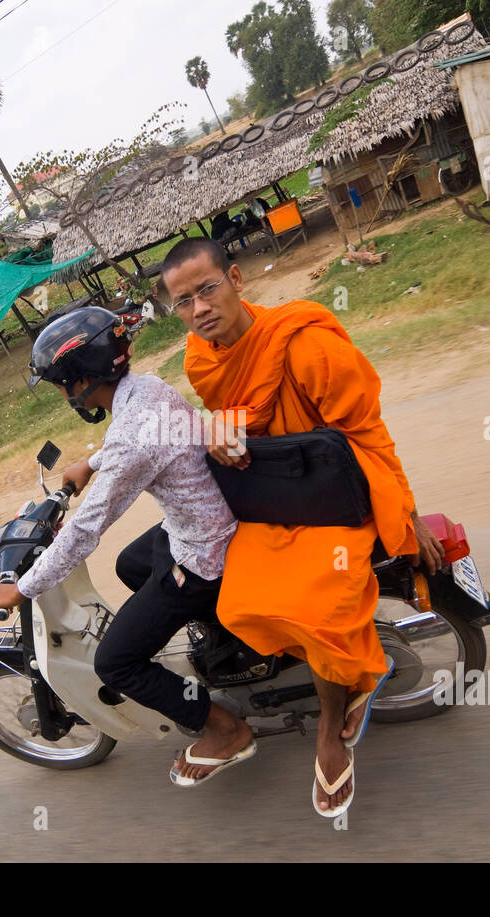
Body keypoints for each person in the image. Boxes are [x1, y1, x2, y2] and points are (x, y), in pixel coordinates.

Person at [159, 238, 445, 817]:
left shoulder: (304, 341)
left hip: (339, 497)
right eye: (183, 301)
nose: (199, 310)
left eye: (207, 289)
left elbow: (367, 430)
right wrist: (219, 430)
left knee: (313, 603)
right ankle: (325, 679)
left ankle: (331, 725)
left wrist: (407, 510)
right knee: (240, 600)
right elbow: (245, 416)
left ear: (236, 278)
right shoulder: (199, 358)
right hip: (273, 497)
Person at [0, 306, 256, 786]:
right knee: (133, 564)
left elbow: (87, 529)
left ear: (82, 379)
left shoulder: (132, 440)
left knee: (115, 663)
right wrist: (90, 463)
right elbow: (132, 432)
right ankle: (227, 638)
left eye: (62, 385)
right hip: (203, 522)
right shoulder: (144, 387)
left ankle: (224, 729)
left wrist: (24, 588)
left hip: (204, 550)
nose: (65, 395)